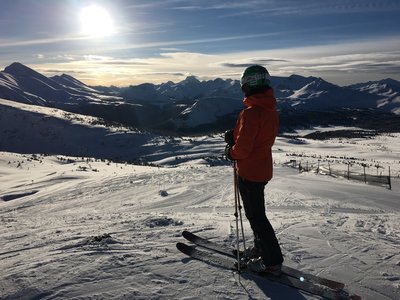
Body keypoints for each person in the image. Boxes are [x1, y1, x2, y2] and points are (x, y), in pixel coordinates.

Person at [224, 65, 283, 275]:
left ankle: (272, 261)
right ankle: (261, 249)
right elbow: (259, 138)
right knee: (255, 214)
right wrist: (237, 134)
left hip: (249, 171)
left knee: (257, 217)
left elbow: (243, 149)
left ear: (247, 85)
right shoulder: (269, 110)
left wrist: (231, 152)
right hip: (262, 168)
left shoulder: (251, 113)